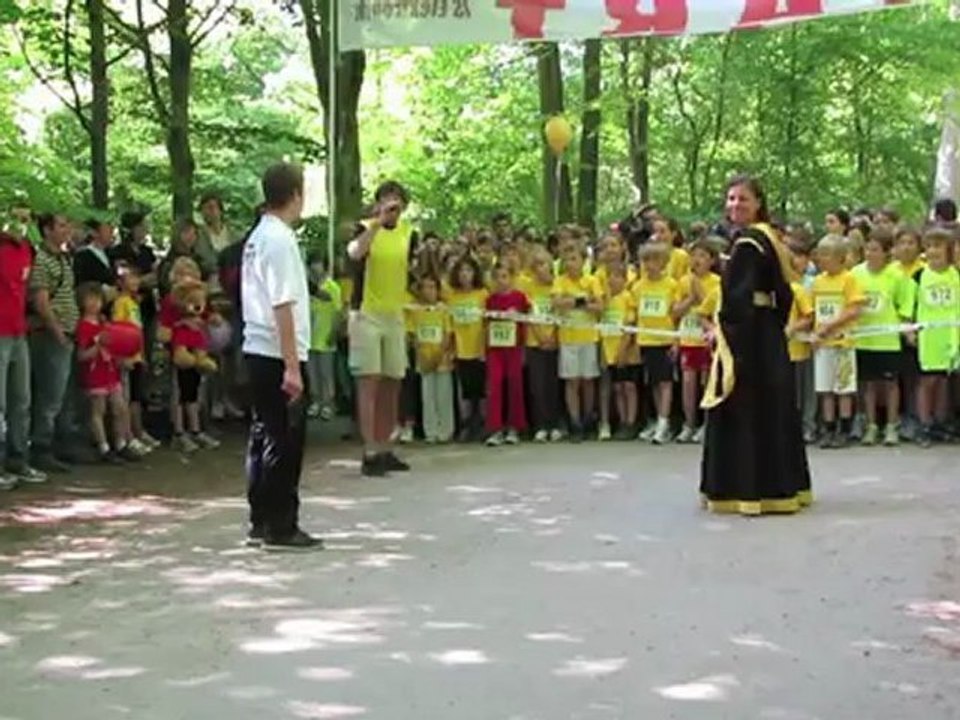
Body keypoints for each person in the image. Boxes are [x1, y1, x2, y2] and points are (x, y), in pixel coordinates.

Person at [700, 175, 811, 516]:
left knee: (744, 411)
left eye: (743, 199)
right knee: (771, 411)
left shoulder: (749, 242)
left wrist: (724, 333)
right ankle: (781, 487)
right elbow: (784, 294)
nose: (735, 205)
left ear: (758, 203)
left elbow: (738, 299)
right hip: (766, 336)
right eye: (731, 199)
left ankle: (745, 490)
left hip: (746, 339)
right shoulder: (770, 239)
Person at [242, 162, 320, 550]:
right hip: (276, 351)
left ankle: (260, 518)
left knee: (262, 435)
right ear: (295, 194)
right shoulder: (280, 239)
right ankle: (281, 524)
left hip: (258, 347)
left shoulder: (258, 235)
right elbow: (283, 303)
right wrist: (292, 364)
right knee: (284, 439)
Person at [347, 181, 418, 477]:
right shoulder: (364, 228)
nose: (393, 205)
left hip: (395, 314)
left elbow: (412, 270)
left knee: (392, 381)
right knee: (369, 381)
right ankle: (369, 449)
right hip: (367, 314)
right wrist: (376, 224)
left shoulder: (409, 234)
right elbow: (354, 254)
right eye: (387, 200)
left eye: (398, 200)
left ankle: (387, 446)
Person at [850, 227, 913, 446]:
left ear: (886, 252)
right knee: (868, 385)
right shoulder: (856, 274)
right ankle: (871, 426)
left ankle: (892, 426)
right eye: (867, 249)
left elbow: (905, 304)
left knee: (890, 385)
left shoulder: (897, 275)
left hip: (888, 340)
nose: (870, 254)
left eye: (875, 250)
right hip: (863, 339)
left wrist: (906, 327)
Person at [29, 212, 80, 474]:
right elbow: (41, 301)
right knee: (49, 395)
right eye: (61, 225)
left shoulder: (64, 258)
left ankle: (62, 444)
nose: (67, 229)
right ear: (47, 230)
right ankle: (41, 447)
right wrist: (57, 330)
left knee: (62, 394)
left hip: (67, 333)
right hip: (50, 336)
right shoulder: (41, 260)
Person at [75, 283, 142, 463]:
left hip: (111, 370)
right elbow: (81, 355)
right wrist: (98, 345)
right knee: (99, 410)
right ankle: (103, 446)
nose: (95, 303)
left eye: (97, 299)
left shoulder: (105, 322)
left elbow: (115, 345)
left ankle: (120, 443)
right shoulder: (83, 326)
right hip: (96, 373)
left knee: (119, 407)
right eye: (90, 299)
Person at [810, 235, 866, 448]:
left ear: (841, 258)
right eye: (820, 254)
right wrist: (816, 332)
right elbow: (814, 312)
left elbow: (854, 309)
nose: (821, 259)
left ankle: (844, 429)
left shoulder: (849, 279)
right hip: (823, 345)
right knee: (826, 390)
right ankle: (828, 428)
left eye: (826, 255)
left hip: (843, 343)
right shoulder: (817, 281)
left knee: (843, 389)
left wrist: (830, 326)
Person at [0, 227, 45, 489]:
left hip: (19, 332)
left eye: (25, 219)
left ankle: (19, 459)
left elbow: (25, 287)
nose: (20, 225)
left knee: (21, 399)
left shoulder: (27, 249)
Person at [907, 227, 960, 447]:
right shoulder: (918, 276)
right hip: (928, 338)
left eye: (938, 246)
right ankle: (924, 423)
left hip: (950, 337)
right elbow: (909, 308)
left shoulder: (956, 275)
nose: (933, 251)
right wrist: (910, 330)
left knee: (944, 381)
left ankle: (940, 421)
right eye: (929, 246)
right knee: (927, 381)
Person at [673, 237, 721, 444]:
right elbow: (675, 311)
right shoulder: (682, 282)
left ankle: (706, 424)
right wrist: (690, 298)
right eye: (694, 255)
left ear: (712, 260)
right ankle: (688, 423)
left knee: (706, 382)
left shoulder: (717, 282)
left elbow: (711, 308)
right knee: (688, 383)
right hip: (688, 339)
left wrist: (698, 292)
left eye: (702, 256)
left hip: (707, 341)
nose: (697, 260)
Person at [552, 243, 602, 442]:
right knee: (571, 381)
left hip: (588, 336)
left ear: (583, 261)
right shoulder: (560, 281)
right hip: (568, 338)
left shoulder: (592, 280)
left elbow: (599, 306)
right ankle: (575, 422)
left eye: (574, 259)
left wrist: (574, 301)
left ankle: (588, 417)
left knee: (588, 380)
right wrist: (583, 301)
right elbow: (557, 303)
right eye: (567, 260)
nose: (570, 263)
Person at [112, 263, 160, 451]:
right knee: (127, 397)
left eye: (136, 277)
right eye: (130, 278)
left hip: (137, 355)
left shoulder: (133, 303)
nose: (135, 281)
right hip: (127, 357)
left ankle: (138, 432)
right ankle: (128, 436)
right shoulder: (120, 303)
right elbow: (119, 330)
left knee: (136, 396)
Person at [634, 243, 678, 445]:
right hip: (646, 340)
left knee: (666, 382)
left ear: (664, 263)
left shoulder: (671, 285)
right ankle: (658, 418)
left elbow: (675, 315)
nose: (650, 265)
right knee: (653, 382)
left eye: (655, 260)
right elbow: (635, 315)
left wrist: (676, 340)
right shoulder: (638, 286)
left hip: (665, 339)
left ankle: (664, 422)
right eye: (646, 260)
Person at [484, 262, 530, 446]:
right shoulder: (490, 300)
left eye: (505, 276)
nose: (501, 281)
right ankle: (495, 428)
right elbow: (486, 324)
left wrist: (517, 315)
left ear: (511, 278)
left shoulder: (520, 297)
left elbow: (527, 321)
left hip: (514, 348)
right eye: (497, 277)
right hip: (495, 349)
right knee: (495, 386)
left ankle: (514, 427)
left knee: (515, 385)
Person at [520, 247, 563, 443]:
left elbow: (559, 314)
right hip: (534, 341)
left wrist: (552, 335)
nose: (540, 269)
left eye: (543, 264)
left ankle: (554, 424)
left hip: (555, 340)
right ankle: (540, 425)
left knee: (553, 384)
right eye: (535, 265)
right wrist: (539, 337)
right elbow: (528, 315)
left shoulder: (557, 286)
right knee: (537, 385)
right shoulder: (528, 288)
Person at [409, 274, 455, 444]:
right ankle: (431, 431)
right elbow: (413, 336)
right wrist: (423, 356)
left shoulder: (443, 308)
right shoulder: (415, 309)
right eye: (425, 287)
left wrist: (439, 355)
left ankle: (446, 430)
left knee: (443, 395)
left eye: (432, 287)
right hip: (424, 360)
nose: (429, 291)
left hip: (442, 359)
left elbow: (447, 334)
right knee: (427, 396)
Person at [447, 255, 488, 442]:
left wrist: (484, 347)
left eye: (469, 270)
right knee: (464, 390)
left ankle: (481, 424)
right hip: (460, 349)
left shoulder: (482, 295)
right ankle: (466, 424)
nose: (465, 275)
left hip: (478, 348)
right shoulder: (452, 296)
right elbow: (449, 323)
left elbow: (487, 323)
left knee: (480, 389)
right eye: (462, 271)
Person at [599, 264, 640, 440]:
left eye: (617, 277)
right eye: (610, 277)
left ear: (625, 280)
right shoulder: (605, 301)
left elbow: (630, 326)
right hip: (608, 351)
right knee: (617, 388)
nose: (612, 280)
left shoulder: (627, 298)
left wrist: (623, 350)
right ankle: (622, 421)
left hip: (626, 352)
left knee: (628, 387)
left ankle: (631, 422)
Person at [306, 254, 342, 421]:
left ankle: (328, 403)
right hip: (310, 337)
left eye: (318, 263)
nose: (315, 267)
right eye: (312, 264)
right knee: (312, 372)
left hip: (325, 336)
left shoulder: (332, 287)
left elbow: (338, 312)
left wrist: (334, 332)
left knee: (326, 373)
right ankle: (316, 401)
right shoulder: (308, 289)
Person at [196, 191, 232, 276]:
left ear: (220, 210)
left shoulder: (235, 235)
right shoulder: (198, 236)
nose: (207, 212)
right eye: (203, 209)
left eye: (211, 208)